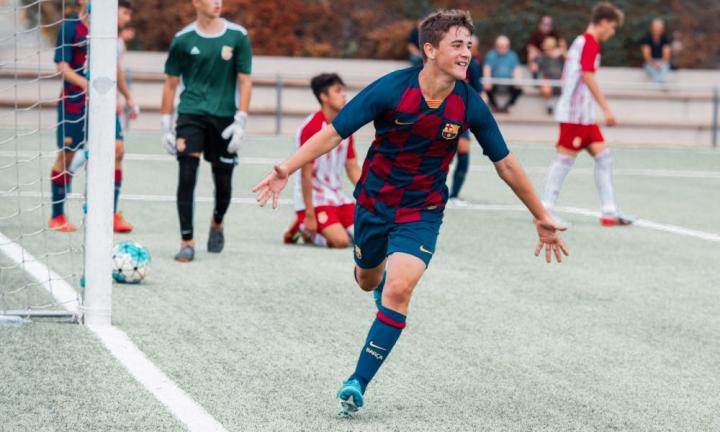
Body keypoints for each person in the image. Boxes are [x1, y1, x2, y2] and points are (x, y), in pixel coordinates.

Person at [253, 9, 568, 417]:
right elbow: (333, 133)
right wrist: (287, 168)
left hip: (423, 210)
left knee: (399, 291)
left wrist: (540, 214)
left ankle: (357, 382)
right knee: (368, 281)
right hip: (374, 204)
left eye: (469, 45)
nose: (466, 53)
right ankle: (374, 275)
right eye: (457, 45)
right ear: (430, 50)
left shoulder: (469, 103)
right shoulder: (391, 89)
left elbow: (505, 163)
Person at [161, 0, 252, 262]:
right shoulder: (182, 39)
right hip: (190, 113)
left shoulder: (238, 36)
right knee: (187, 175)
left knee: (223, 183)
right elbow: (170, 84)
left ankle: (217, 221)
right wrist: (165, 125)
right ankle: (186, 241)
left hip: (224, 117)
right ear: (196, 2)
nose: (217, 2)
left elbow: (245, 81)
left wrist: (241, 120)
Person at [542, 2, 633, 226]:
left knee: (604, 157)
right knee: (564, 160)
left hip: (584, 116)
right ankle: (544, 210)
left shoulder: (582, 41)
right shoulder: (589, 42)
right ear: (603, 23)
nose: (612, 32)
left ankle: (609, 212)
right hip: (575, 115)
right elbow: (587, 76)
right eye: (612, 27)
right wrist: (607, 109)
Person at [283, 73, 360, 248]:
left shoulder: (346, 125)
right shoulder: (310, 127)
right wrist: (309, 213)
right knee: (341, 241)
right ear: (324, 97)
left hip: (337, 196)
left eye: (344, 91)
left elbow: (352, 167)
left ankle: (327, 226)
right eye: (338, 91)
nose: (344, 95)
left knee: (366, 237)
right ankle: (301, 226)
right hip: (315, 199)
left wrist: (371, 193)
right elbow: (305, 175)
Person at [48, 0, 89, 232]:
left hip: (101, 106)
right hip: (73, 102)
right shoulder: (70, 27)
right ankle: (57, 215)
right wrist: (84, 83)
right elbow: (62, 67)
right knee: (66, 156)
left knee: (115, 149)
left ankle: (110, 213)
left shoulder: (106, 32)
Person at [448, 35, 483, 207]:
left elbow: (478, 89)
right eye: (461, 46)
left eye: (469, 47)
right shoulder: (446, 63)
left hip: (461, 114)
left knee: (463, 151)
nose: (466, 51)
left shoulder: (473, 66)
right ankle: (432, 192)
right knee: (441, 153)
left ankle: (454, 195)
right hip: (442, 111)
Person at [483, 35, 523, 113]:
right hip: (494, 81)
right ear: (496, 46)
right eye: (500, 46)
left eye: (505, 46)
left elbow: (517, 69)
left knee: (518, 89)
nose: (502, 48)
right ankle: (495, 107)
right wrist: (487, 80)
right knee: (486, 88)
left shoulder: (513, 55)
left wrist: (517, 80)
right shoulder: (491, 54)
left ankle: (506, 107)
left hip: (509, 81)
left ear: (508, 46)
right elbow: (487, 69)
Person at [536, 36, 565, 115]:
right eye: (547, 47)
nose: (549, 49)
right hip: (548, 81)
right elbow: (534, 68)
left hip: (561, 80)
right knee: (545, 86)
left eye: (551, 47)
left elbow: (570, 60)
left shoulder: (561, 56)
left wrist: (563, 50)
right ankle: (549, 105)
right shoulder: (542, 57)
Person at [641, 18, 671, 84]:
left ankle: (659, 84)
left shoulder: (665, 39)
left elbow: (666, 56)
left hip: (662, 63)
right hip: (650, 63)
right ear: (652, 28)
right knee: (653, 70)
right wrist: (655, 63)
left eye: (659, 28)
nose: (657, 30)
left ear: (662, 29)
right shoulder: (646, 38)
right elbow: (646, 56)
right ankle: (660, 85)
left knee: (663, 69)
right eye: (655, 27)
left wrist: (660, 63)